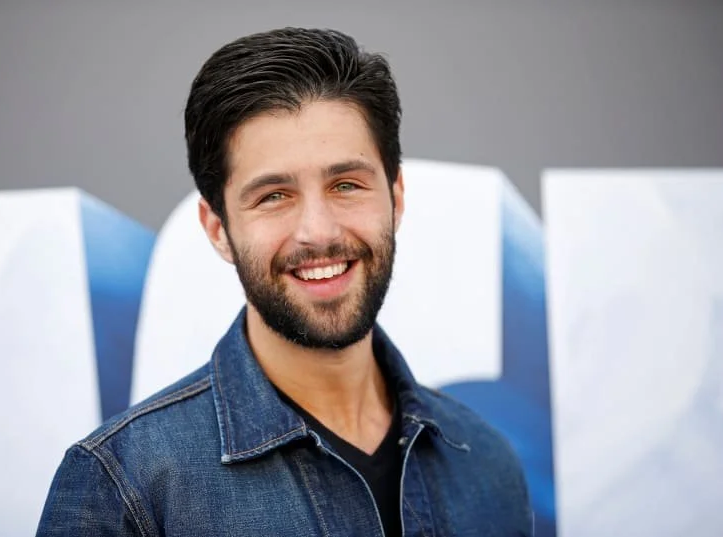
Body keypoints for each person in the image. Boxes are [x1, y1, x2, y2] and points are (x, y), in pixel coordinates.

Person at [36, 27, 533, 537]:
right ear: (218, 229)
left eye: (346, 185)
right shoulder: (125, 486)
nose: (319, 232)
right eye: (273, 195)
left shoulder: (485, 466)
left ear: (396, 198)